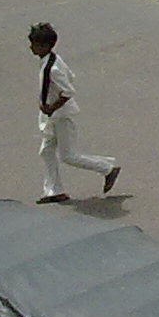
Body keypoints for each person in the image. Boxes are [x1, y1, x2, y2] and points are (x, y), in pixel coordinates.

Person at [30, 22, 121, 203]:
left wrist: (52, 106)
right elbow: (71, 75)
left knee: (68, 156)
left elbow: (69, 91)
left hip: (61, 116)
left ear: (44, 46)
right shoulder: (53, 60)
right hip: (52, 117)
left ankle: (107, 168)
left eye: (34, 44)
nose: (31, 47)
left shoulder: (53, 68)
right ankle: (54, 191)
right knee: (46, 151)